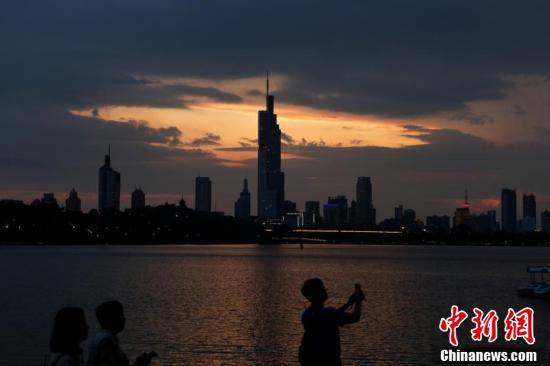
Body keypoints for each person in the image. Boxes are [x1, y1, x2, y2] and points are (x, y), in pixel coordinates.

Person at [299, 279, 365, 366]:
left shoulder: (307, 314)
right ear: (312, 295)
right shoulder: (312, 314)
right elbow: (328, 316)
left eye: (323, 288)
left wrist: (357, 301)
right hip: (326, 360)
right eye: (321, 289)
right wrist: (351, 302)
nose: (324, 291)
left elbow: (354, 317)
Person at [87, 301, 156, 366]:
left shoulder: (101, 338)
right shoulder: (106, 342)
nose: (124, 318)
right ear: (112, 319)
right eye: (120, 315)